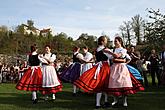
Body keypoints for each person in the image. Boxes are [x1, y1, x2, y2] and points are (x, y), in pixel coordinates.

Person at [74, 36, 113, 109]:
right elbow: (111, 57)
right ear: (103, 41)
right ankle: (105, 101)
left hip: (99, 66)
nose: (106, 41)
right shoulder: (105, 49)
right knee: (104, 84)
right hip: (104, 67)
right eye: (106, 40)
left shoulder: (97, 49)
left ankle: (98, 103)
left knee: (100, 85)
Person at [105, 36, 144, 107]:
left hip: (121, 68)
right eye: (114, 41)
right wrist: (107, 52)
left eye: (116, 41)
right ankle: (115, 100)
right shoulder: (113, 49)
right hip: (114, 67)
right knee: (114, 83)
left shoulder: (123, 50)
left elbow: (119, 56)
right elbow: (111, 58)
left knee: (123, 83)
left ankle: (124, 101)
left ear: (120, 42)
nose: (114, 42)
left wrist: (123, 61)